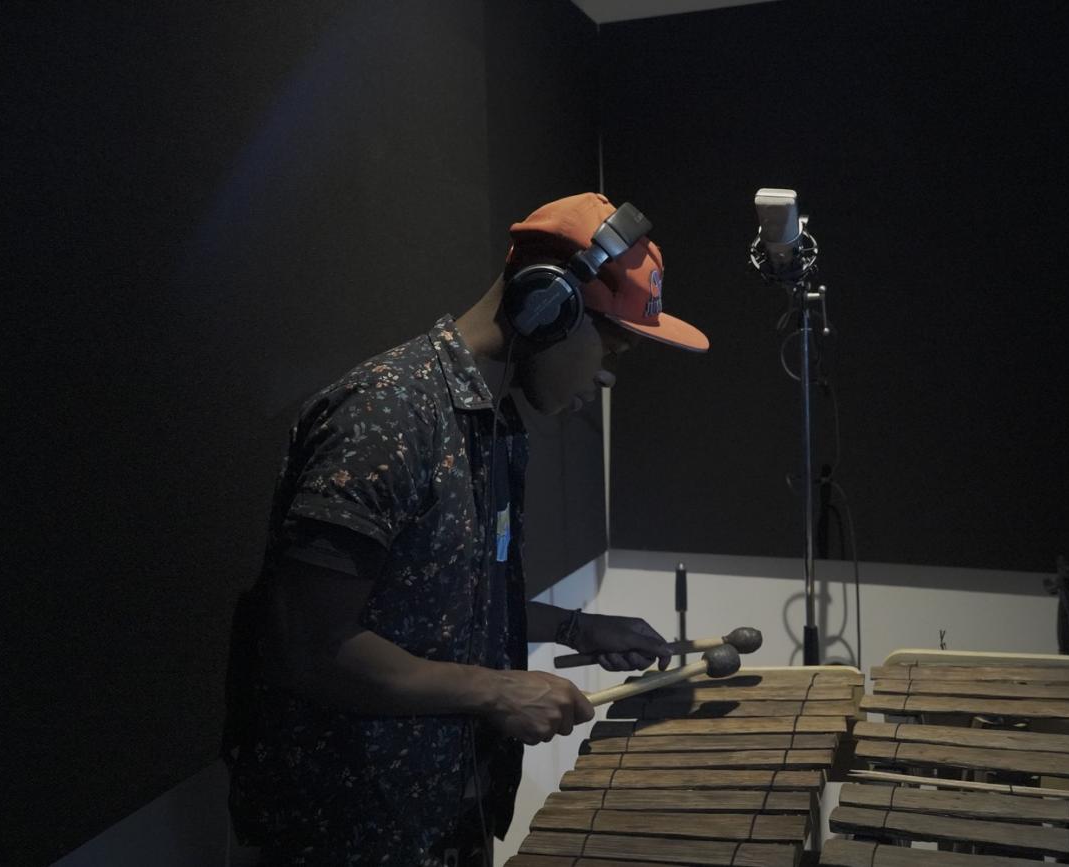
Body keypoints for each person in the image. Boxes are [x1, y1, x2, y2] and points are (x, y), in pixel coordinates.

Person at [222, 192, 710, 866]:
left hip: (451, 822)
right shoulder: (385, 418)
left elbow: (448, 607)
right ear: (548, 308)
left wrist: (575, 628)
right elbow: (303, 645)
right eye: (613, 347)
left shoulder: (494, 427)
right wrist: (498, 689)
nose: (605, 376)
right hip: (352, 835)